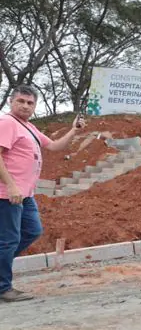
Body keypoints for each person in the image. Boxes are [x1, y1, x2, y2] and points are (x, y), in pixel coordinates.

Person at [0, 85, 86, 302]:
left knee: (32, 231)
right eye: (21, 101)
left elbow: (55, 146)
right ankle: (3, 288)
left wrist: (74, 131)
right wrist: (10, 185)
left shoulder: (28, 127)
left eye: (30, 103)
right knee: (9, 240)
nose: (25, 106)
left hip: (26, 194)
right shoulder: (7, 123)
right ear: (11, 102)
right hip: (9, 194)